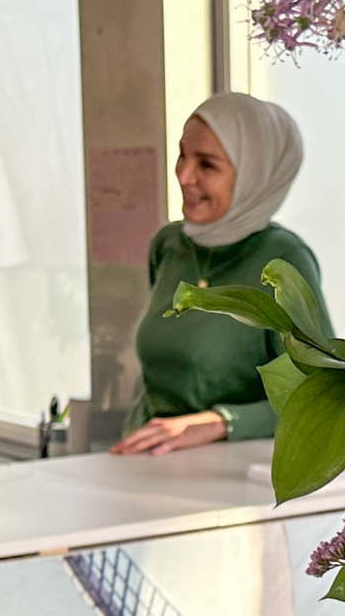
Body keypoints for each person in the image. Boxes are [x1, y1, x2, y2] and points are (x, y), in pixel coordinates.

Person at [112, 92, 330, 456]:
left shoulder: (283, 259)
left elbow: (321, 396)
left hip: (232, 471)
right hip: (143, 460)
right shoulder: (168, 246)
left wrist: (222, 422)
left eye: (207, 165)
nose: (184, 176)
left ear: (254, 174)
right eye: (182, 154)